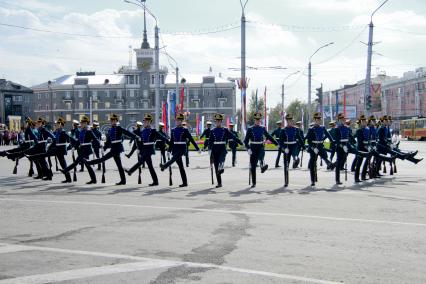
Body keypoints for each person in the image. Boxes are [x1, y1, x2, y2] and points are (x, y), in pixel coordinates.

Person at [86, 114, 137, 185]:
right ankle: (123, 180)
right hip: (113, 148)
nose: (112, 122)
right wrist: (104, 148)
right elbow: (108, 141)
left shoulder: (119, 128)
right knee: (119, 166)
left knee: (103, 159)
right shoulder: (110, 130)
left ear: (116, 121)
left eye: (114, 120)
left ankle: (89, 162)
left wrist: (135, 136)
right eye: (111, 120)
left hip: (117, 148)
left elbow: (127, 132)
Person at [125, 114, 168, 186]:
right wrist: (139, 149)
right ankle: (155, 181)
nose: (145, 123)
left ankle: (130, 171)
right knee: (150, 167)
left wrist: (170, 143)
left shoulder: (153, 131)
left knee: (141, 161)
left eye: (147, 122)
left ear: (150, 123)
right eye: (145, 122)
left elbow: (162, 137)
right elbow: (141, 142)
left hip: (149, 149)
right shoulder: (143, 131)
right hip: (145, 149)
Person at [160, 113, 201, 187]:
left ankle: (165, 166)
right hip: (175, 148)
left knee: (173, 158)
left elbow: (191, 139)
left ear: (182, 121)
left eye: (179, 120)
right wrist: (169, 150)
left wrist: (197, 148)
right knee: (181, 166)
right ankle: (185, 182)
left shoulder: (185, 130)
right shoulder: (173, 130)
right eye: (177, 120)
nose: (178, 121)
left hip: (182, 148)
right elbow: (172, 142)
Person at [244, 112, 278, 188]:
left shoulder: (262, 128)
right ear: (254, 120)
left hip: (260, 146)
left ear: (260, 120)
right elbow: (245, 141)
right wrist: (248, 148)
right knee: (253, 166)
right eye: (256, 120)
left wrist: (276, 143)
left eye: (259, 120)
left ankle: (262, 166)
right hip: (253, 146)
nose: (258, 121)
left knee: (261, 155)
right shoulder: (250, 129)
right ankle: (254, 182)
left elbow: (268, 136)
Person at [61, 116, 97, 184]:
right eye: (81, 123)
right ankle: (94, 180)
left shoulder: (89, 131)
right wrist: (74, 147)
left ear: (86, 123)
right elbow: (78, 141)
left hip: (86, 150)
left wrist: (100, 145)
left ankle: (65, 170)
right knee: (87, 165)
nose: (82, 124)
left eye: (83, 123)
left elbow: (95, 139)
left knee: (76, 162)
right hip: (82, 149)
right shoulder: (81, 131)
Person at [208, 114, 241, 188]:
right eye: (217, 121)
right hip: (215, 149)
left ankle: (222, 166)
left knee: (221, 160)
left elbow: (232, 136)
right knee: (216, 167)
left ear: (221, 121)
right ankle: (219, 183)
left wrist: (239, 141)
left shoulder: (225, 129)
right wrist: (209, 149)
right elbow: (210, 141)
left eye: (219, 121)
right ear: (215, 122)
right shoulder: (212, 130)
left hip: (222, 148)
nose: (218, 122)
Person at [305, 112, 336, 187]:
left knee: (324, 156)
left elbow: (328, 135)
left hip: (320, 145)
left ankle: (330, 164)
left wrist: (333, 141)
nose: (319, 120)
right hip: (314, 146)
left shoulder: (322, 127)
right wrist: (313, 148)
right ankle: (312, 180)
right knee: (313, 163)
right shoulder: (311, 129)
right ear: (315, 120)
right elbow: (308, 141)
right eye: (318, 119)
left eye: (320, 119)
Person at [42, 117, 73, 183]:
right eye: (55, 124)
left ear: (61, 125)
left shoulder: (63, 132)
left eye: (57, 124)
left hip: (61, 150)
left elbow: (70, 140)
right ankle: (68, 178)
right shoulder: (57, 132)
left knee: (63, 164)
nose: (55, 125)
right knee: (63, 164)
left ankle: (68, 178)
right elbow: (55, 142)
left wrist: (68, 148)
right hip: (57, 149)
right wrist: (49, 147)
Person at [279, 114, 304, 187]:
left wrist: (304, 147)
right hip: (287, 147)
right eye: (289, 120)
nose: (290, 121)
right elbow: (280, 142)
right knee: (286, 165)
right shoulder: (283, 130)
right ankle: (286, 181)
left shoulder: (296, 129)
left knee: (295, 155)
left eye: (291, 120)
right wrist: (284, 148)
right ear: (287, 121)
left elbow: (300, 138)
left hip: (294, 146)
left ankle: (296, 159)